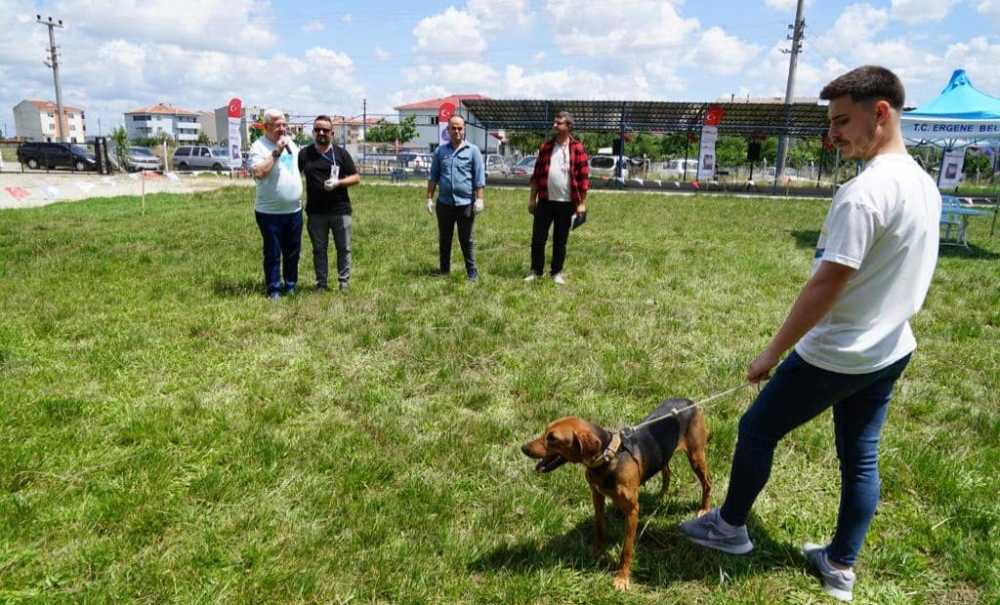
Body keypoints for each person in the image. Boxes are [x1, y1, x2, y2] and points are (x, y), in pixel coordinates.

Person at [678, 66, 941, 603]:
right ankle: (840, 564)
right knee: (860, 456)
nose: (833, 134)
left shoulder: (864, 193)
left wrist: (769, 355)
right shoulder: (923, 182)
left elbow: (825, 284)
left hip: (839, 354)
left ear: (882, 113)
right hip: (891, 349)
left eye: (843, 121)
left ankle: (729, 528)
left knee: (755, 430)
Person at [298, 115, 361, 292]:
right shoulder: (304, 154)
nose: (321, 133)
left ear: (332, 133)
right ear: (313, 132)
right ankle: (321, 284)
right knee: (319, 249)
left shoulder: (341, 154)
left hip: (340, 210)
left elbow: (356, 178)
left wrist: (339, 183)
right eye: (318, 129)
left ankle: (344, 282)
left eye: (325, 130)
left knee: (344, 248)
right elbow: (294, 175)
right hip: (316, 212)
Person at [526, 111, 589, 285]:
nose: (554, 125)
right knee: (538, 238)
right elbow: (537, 175)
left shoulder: (578, 148)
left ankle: (556, 272)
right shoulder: (546, 147)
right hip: (545, 201)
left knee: (560, 240)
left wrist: (581, 204)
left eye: (558, 123)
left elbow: (584, 179)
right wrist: (532, 199)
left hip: (566, 203)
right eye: (554, 122)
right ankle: (536, 271)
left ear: (568, 126)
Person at [249, 109, 303, 300]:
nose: (282, 129)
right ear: (266, 127)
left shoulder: (291, 144)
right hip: (269, 213)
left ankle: (290, 284)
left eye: (284, 124)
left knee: (293, 252)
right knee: (273, 252)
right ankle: (273, 288)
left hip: (294, 209)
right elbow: (259, 173)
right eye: (278, 125)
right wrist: (277, 151)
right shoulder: (258, 147)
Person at [425, 115, 485, 281]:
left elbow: (479, 178)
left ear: (464, 129)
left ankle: (472, 273)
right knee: (445, 238)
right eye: (454, 128)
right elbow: (433, 176)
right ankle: (444, 271)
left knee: (467, 240)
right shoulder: (440, 151)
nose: (457, 131)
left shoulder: (473, 151)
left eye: (460, 128)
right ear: (448, 130)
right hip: (444, 204)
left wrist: (480, 199)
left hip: (465, 204)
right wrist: (429, 198)